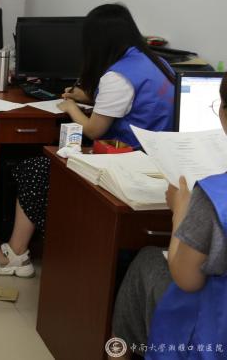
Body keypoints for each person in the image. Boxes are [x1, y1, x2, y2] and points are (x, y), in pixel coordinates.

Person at [0, 3, 175, 276]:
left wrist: (70, 107)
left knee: (35, 170)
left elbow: (93, 130)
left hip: (124, 161)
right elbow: (131, 104)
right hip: (155, 160)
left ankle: (16, 252)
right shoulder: (156, 63)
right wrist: (88, 97)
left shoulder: (118, 76)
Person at [112, 72, 227, 357]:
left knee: (147, 260)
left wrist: (181, 212)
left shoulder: (214, 194)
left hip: (215, 333)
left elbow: (187, 279)